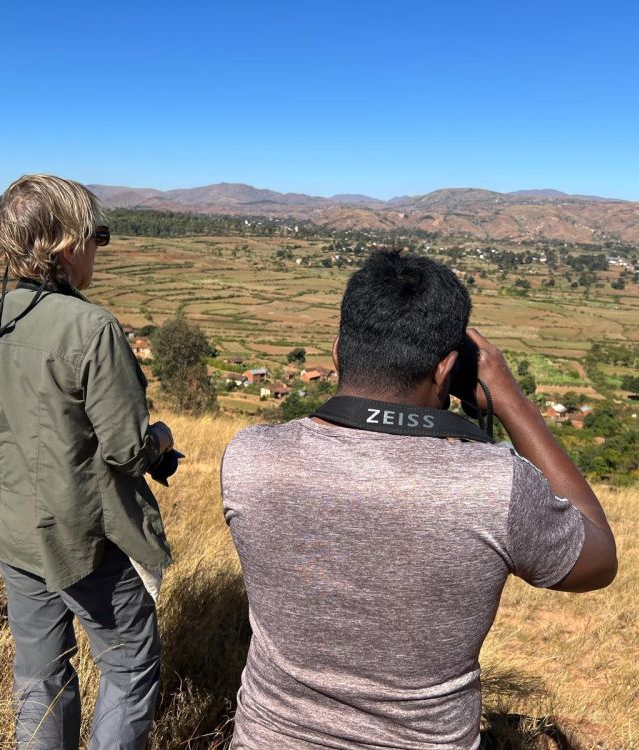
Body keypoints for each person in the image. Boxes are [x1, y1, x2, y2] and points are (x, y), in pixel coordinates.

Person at [221, 250, 618, 750]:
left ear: (339, 353)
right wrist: (506, 395)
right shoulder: (494, 485)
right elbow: (599, 560)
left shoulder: (250, 458)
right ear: (447, 369)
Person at [0, 174, 175, 750]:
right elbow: (126, 452)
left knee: (39, 676)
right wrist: (162, 436)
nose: (98, 251)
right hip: (85, 536)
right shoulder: (94, 328)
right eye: (95, 236)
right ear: (64, 244)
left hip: (11, 527)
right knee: (129, 668)